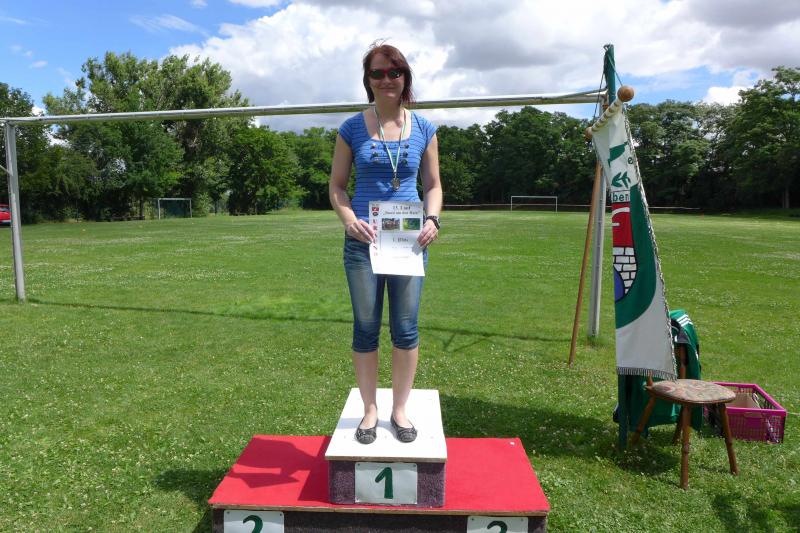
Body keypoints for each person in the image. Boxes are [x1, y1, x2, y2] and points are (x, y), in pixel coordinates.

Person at [329, 43, 442, 444]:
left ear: (405, 77)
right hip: (364, 244)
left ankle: (399, 410)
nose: (386, 79)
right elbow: (337, 186)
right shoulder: (351, 129)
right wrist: (349, 221)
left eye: (394, 72)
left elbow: (433, 185)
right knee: (365, 328)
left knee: (406, 328)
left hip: (408, 243)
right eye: (377, 73)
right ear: (368, 80)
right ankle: (370, 410)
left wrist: (433, 219)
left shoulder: (424, 128)